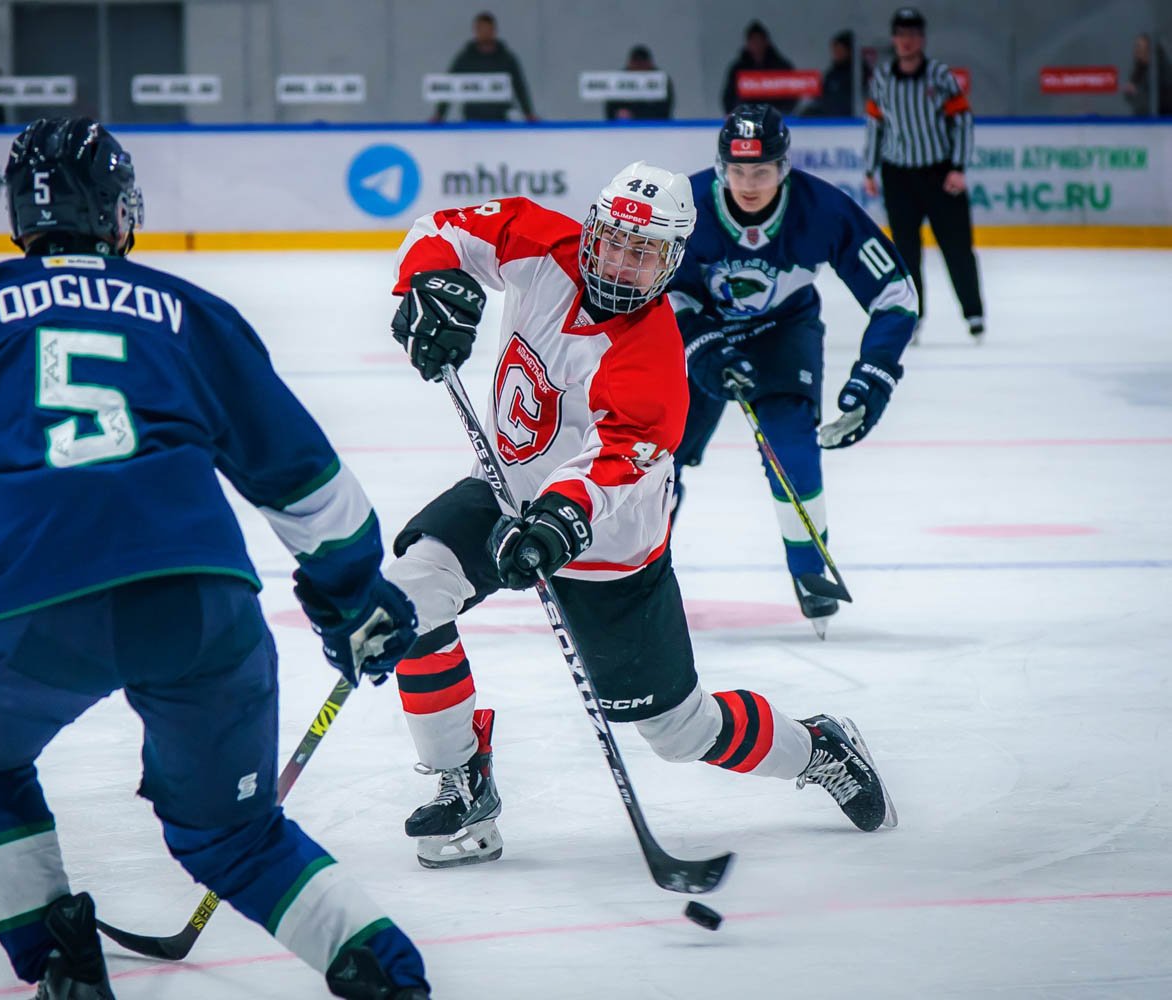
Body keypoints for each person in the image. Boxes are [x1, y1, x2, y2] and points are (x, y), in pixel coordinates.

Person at [0, 117, 431, 1000]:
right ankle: (388, 975)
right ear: (119, 210)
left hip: (36, 604)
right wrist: (353, 590)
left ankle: (61, 963)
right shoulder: (186, 309)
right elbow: (304, 479)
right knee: (236, 834)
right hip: (202, 603)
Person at [379, 160, 897, 871]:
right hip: (502, 488)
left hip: (605, 542)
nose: (622, 264)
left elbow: (616, 461)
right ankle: (462, 780)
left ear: (672, 261)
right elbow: (441, 230)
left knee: (679, 731)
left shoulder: (652, 358)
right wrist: (429, 287)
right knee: (410, 594)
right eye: (615, 242)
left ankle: (818, 749)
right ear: (593, 230)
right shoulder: (542, 241)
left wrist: (558, 520)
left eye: (644, 253)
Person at [666, 103, 917, 635]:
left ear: (783, 167)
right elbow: (656, 287)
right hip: (699, 333)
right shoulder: (686, 205)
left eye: (761, 171)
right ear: (721, 168)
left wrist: (876, 374)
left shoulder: (822, 209)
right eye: (737, 171)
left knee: (792, 451)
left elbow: (896, 294)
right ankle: (640, 575)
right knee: (657, 457)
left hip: (782, 333)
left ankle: (809, 572)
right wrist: (700, 344)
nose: (748, 184)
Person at [863, 7, 983, 341]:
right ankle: (913, 317)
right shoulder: (882, 79)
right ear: (894, 38)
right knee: (905, 252)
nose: (907, 40)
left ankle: (973, 312)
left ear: (922, 39)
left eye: (913, 34)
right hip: (898, 176)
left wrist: (958, 167)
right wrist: (869, 170)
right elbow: (875, 126)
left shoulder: (940, 76)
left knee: (957, 246)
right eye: (901, 34)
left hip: (940, 174)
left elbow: (963, 121)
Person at [430, 11, 537, 123]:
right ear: (475, 31)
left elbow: (519, 87)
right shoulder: (466, 58)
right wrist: (439, 114)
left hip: (500, 119)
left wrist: (528, 113)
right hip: (472, 119)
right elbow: (450, 86)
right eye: (481, 29)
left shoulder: (506, 58)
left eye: (488, 29)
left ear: (494, 31)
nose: (485, 33)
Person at [721, 20, 796, 114]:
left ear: (766, 42)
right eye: (753, 41)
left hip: (774, 117)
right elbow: (728, 97)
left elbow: (792, 94)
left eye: (759, 41)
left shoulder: (781, 67)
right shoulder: (737, 69)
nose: (757, 45)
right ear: (748, 44)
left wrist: (781, 113)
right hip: (746, 117)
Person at [805, 30, 866, 117]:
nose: (836, 54)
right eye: (835, 50)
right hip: (830, 118)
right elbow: (821, 96)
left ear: (849, 51)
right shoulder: (832, 73)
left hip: (850, 118)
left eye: (839, 50)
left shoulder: (859, 73)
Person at [605, 45, 673, 120]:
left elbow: (665, 108)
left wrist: (637, 114)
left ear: (649, 64)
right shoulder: (619, 80)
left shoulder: (661, 80)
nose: (639, 67)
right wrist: (618, 113)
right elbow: (611, 107)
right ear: (630, 64)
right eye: (636, 63)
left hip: (654, 124)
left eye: (642, 63)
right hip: (625, 125)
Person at [1125, 33, 1172, 118]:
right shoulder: (1139, 69)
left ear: (1149, 50)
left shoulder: (1161, 71)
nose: (1136, 51)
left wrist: (1137, 94)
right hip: (1143, 120)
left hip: (1162, 120)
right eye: (1136, 47)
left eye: (1139, 47)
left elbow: (1160, 101)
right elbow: (1130, 95)